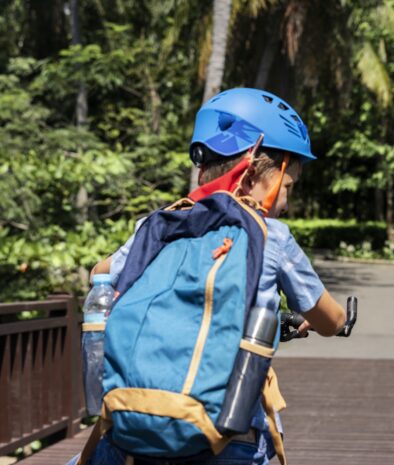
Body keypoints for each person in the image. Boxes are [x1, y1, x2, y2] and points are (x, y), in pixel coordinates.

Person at [75, 88, 347, 465]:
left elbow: (99, 275)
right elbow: (330, 320)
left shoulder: (158, 226)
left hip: (131, 432)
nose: (287, 201)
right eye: (288, 187)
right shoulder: (271, 236)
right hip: (228, 439)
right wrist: (335, 320)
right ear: (254, 174)